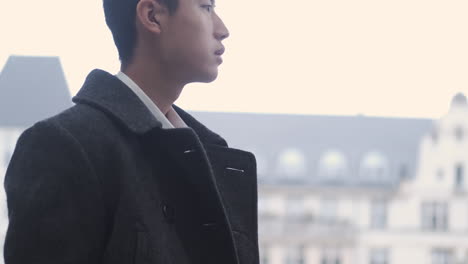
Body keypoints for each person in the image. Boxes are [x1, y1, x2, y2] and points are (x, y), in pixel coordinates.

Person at [3, 0, 259, 263]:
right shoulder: (62, 146)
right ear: (152, 15)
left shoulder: (209, 153)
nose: (222, 29)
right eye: (206, 7)